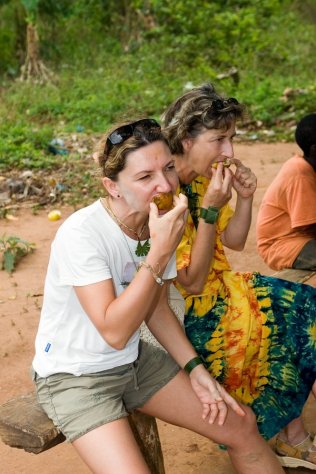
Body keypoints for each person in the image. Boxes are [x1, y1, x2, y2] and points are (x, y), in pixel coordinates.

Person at [31, 118, 284, 474]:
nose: (164, 184)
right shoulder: (82, 234)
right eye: (144, 176)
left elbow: (158, 312)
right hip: (77, 378)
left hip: (135, 363)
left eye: (167, 168)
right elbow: (114, 332)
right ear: (112, 186)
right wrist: (157, 254)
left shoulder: (158, 221)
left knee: (241, 425)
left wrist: (196, 370)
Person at [162, 83, 316, 470]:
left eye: (231, 138)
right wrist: (211, 211)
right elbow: (191, 283)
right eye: (219, 139)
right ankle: (282, 434)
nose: (229, 151)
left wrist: (245, 197)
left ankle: (289, 432)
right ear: (185, 139)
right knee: (281, 325)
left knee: (303, 309)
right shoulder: (162, 195)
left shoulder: (200, 179)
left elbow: (234, 240)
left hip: (226, 290)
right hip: (188, 310)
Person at [256, 113, 316, 271]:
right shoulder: (300, 174)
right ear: (315, 150)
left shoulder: (310, 166)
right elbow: (310, 225)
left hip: (302, 239)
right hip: (282, 244)